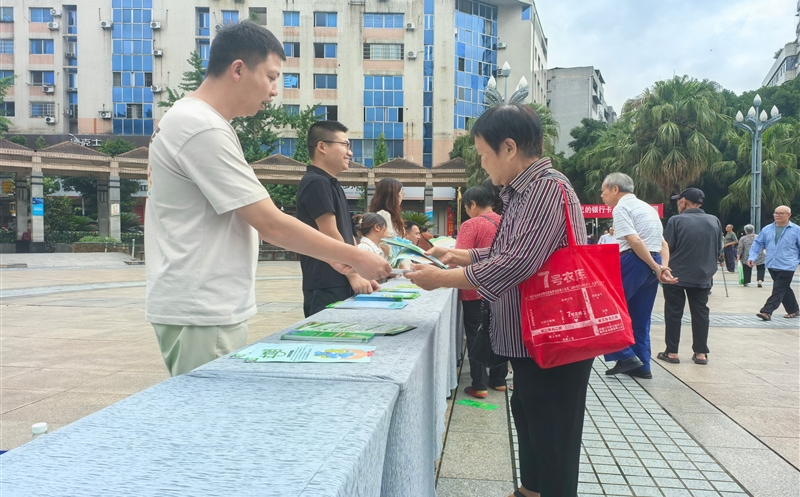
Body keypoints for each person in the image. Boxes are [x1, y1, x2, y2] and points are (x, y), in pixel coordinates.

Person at [145, 21, 390, 377]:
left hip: (201, 301)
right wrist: (355, 257)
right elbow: (270, 223)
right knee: (212, 422)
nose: (275, 90)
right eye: (272, 77)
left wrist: (340, 259)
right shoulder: (202, 126)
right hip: (202, 305)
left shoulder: (194, 120)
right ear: (238, 69)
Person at [406, 104, 593, 497]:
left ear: (509, 148)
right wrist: (461, 256)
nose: (482, 162)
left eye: (483, 153)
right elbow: (512, 249)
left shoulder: (546, 187)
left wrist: (442, 279)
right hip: (531, 336)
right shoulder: (522, 193)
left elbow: (519, 262)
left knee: (553, 434)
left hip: (552, 335)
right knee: (528, 412)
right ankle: (529, 490)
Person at [296, 121, 380, 317]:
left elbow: (347, 235)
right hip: (326, 282)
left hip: (340, 279)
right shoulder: (315, 183)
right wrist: (354, 275)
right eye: (345, 145)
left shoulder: (331, 183)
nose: (350, 152)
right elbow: (330, 233)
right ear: (322, 147)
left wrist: (362, 273)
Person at [601, 172, 676, 380]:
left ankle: (625, 356)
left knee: (608, 308)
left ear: (615, 189)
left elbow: (633, 241)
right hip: (651, 263)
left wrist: (656, 267)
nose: (602, 196)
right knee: (640, 318)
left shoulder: (622, 208)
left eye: (603, 190)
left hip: (633, 260)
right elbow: (663, 244)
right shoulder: (647, 208)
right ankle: (642, 365)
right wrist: (662, 267)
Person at [656, 188, 721, 366]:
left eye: (679, 200)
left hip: (676, 275)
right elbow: (718, 249)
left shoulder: (676, 220)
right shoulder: (714, 220)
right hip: (703, 275)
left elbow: (667, 247)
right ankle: (701, 353)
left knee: (674, 312)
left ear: (684, 201)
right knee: (701, 313)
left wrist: (663, 269)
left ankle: (672, 352)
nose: (678, 203)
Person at [456, 185, 507, 399]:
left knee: (476, 334)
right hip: (504, 290)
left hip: (476, 291)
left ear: (473, 205)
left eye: (467, 207)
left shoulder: (471, 224)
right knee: (501, 333)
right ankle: (499, 380)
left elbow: (458, 258)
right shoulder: (506, 221)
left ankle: (479, 384)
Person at [748, 206, 800, 320]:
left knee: (779, 288)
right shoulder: (767, 229)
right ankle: (794, 310)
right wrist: (752, 257)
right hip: (772, 264)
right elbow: (758, 243)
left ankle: (767, 311)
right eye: (776, 213)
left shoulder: (796, 230)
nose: (777, 215)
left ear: (789, 215)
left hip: (788, 264)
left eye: (781, 213)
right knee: (783, 288)